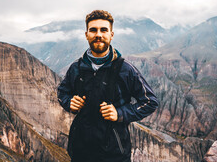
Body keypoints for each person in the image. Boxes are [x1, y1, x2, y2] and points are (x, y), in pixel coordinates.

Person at [57, 10, 158, 162]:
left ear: (111, 34)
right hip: (80, 151)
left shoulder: (125, 69)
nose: (98, 34)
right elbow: (62, 92)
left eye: (104, 30)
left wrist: (120, 113)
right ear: (86, 35)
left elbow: (150, 101)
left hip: (115, 154)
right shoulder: (76, 68)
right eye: (93, 30)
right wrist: (69, 102)